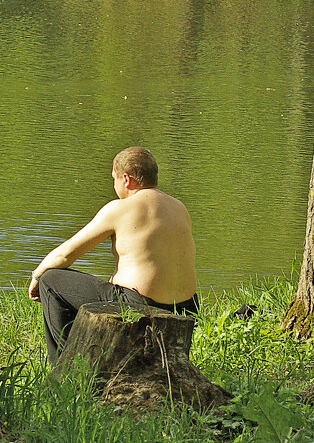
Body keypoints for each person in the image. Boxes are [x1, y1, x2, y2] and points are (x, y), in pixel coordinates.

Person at [28, 146, 199, 364]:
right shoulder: (179, 207)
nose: (115, 185)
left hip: (140, 304)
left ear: (126, 179)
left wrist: (36, 277)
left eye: (114, 179)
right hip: (187, 308)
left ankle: (65, 366)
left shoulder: (121, 208)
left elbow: (65, 255)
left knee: (51, 280)